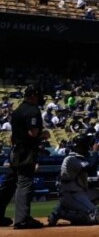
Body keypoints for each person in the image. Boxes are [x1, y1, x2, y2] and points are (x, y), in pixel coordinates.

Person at [0, 85, 49, 229]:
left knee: (9, 183)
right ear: (33, 95)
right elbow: (33, 133)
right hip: (26, 152)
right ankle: (22, 219)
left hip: (15, 150)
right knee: (24, 182)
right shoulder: (33, 110)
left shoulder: (17, 110)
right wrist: (44, 134)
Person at [48, 133, 99, 226]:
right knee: (94, 216)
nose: (88, 148)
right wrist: (95, 152)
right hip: (70, 195)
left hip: (78, 193)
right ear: (81, 147)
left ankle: (70, 211)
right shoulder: (71, 159)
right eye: (87, 146)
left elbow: (86, 178)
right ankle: (61, 212)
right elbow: (90, 167)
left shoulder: (79, 158)